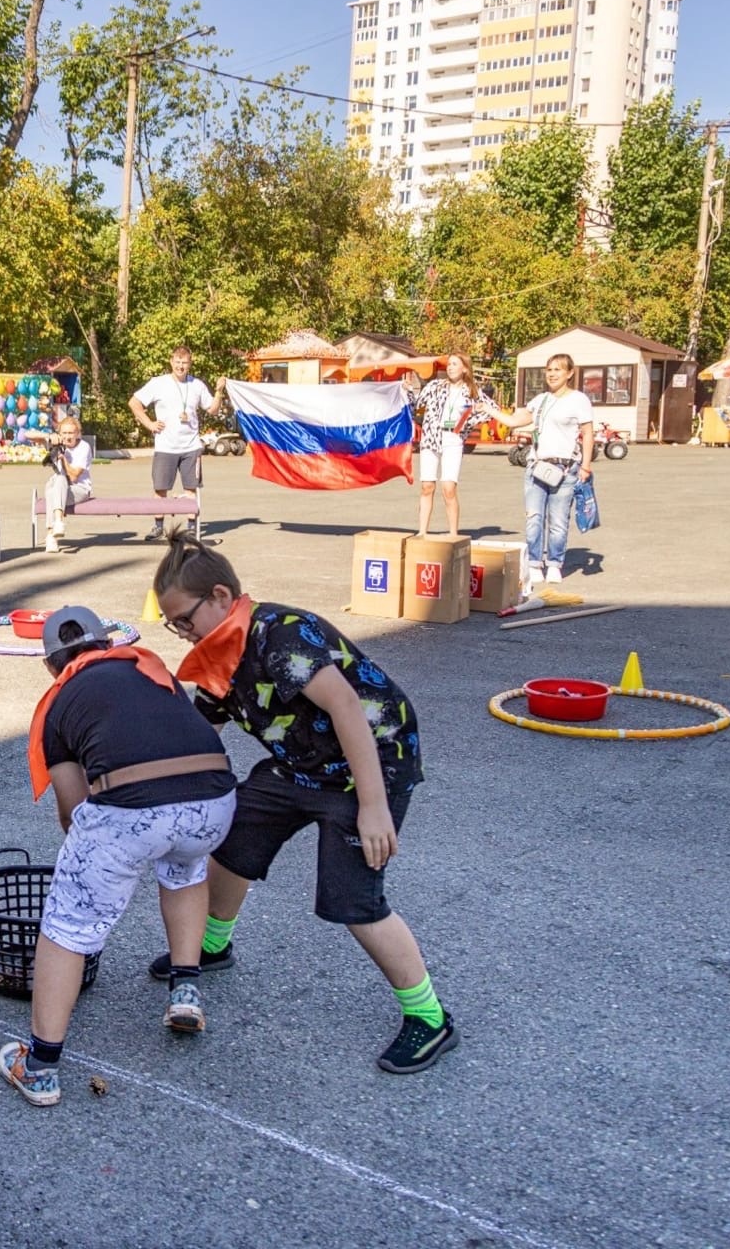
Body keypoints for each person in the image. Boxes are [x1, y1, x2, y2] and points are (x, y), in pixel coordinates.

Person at [150, 537, 457, 1074]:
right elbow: (197, 732)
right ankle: (214, 945)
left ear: (221, 596)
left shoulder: (281, 635)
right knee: (231, 837)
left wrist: (374, 807)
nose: (183, 632)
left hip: (371, 761)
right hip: (302, 765)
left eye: (184, 620)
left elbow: (346, 709)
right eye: (174, 626)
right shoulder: (220, 654)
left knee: (352, 898)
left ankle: (430, 1018)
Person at [0, 607, 235, 1108]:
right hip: (215, 800)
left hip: (131, 810)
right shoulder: (150, 668)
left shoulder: (61, 701)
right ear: (108, 644)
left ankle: (39, 1067)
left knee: (67, 926)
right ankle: (185, 993)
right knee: (185, 868)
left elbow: (72, 806)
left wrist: (97, 864)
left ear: (51, 665)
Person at [479, 354, 595, 585]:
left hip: (565, 468)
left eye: (557, 370)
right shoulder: (541, 400)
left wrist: (586, 466)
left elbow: (588, 433)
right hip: (537, 466)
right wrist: (487, 408)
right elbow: (513, 421)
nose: (552, 374)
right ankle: (534, 563)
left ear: (569, 373)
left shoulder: (578, 400)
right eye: (549, 369)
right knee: (534, 518)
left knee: (559, 520)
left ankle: (554, 563)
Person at [127, 346, 215, 541]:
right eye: (178, 362)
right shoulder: (158, 383)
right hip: (165, 446)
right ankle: (158, 527)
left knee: (191, 488)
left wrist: (219, 391)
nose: (181, 366)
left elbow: (212, 409)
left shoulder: (197, 385)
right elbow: (134, 403)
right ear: (171, 362)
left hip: (191, 446)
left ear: (190, 364)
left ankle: (192, 528)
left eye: (185, 363)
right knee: (160, 488)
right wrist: (149, 423)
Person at [411, 355, 489, 537]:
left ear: (465, 369)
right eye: (449, 364)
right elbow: (419, 406)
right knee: (427, 486)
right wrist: (421, 419)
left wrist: (467, 423)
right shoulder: (434, 386)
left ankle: (453, 533)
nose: (450, 367)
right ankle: (422, 531)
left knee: (448, 487)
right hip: (430, 438)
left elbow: (490, 409)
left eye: (455, 364)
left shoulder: (472, 391)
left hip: (452, 440)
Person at [24, 416, 93, 554]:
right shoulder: (56, 442)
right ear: (60, 433)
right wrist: (48, 436)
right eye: (64, 433)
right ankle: (58, 523)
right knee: (54, 483)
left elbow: (73, 477)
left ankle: (51, 536)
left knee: (55, 485)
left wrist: (63, 460)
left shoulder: (84, 447)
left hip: (79, 489)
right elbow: (27, 435)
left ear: (78, 433)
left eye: (71, 433)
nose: (68, 437)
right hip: (59, 488)